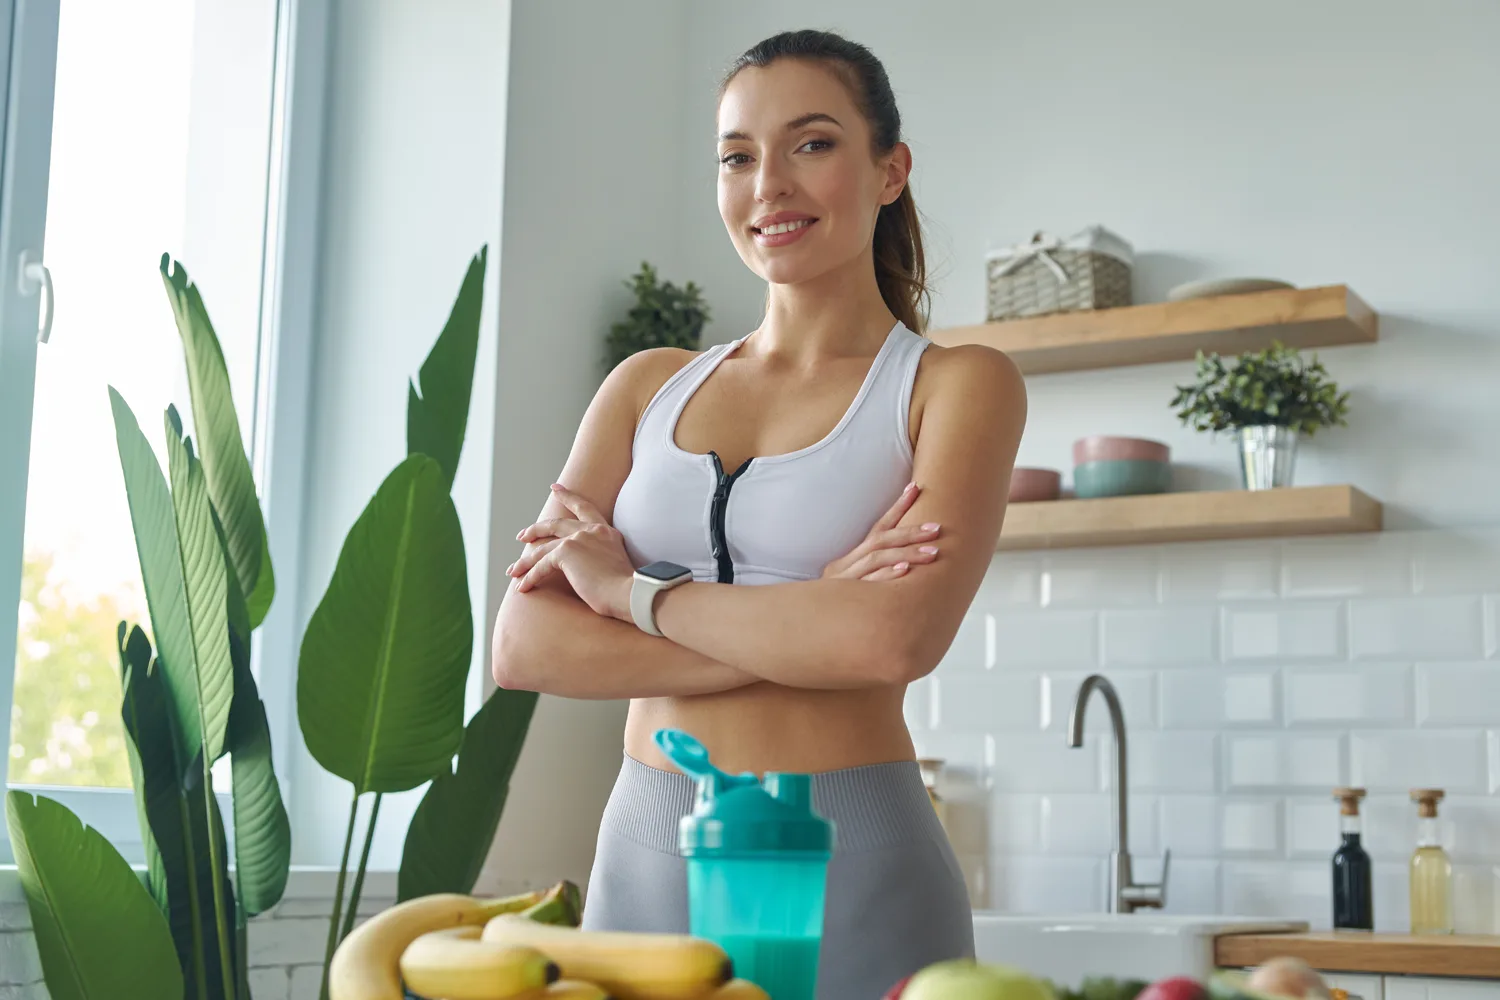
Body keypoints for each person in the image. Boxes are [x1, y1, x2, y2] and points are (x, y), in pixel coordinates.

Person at [491, 28, 1026, 999]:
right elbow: (527, 644)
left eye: (812, 144)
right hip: (645, 839)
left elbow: (894, 639)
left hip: (853, 849)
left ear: (889, 169)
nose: (768, 184)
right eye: (738, 156)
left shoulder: (955, 387)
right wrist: (815, 612)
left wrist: (622, 591)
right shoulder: (642, 386)